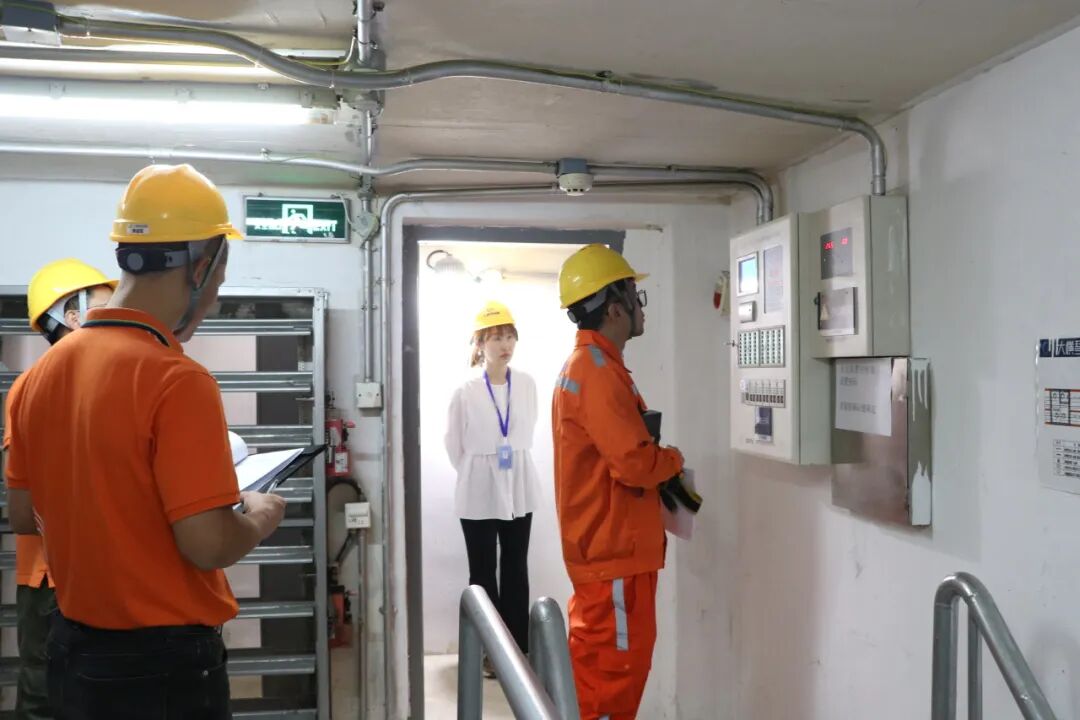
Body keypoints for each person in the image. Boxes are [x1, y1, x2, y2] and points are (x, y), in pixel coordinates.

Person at [2, 163, 286, 719]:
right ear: (201, 268)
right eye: (219, 284)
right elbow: (208, 545)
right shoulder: (177, 380)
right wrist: (259, 514)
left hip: (72, 648)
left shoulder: (39, 376)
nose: (215, 300)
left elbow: (21, 514)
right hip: (162, 670)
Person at [551, 245, 684, 720]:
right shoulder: (597, 373)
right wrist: (672, 460)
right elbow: (633, 464)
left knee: (604, 679)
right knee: (611, 683)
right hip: (614, 562)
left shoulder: (592, 368)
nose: (639, 306)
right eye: (634, 294)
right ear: (614, 307)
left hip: (612, 557)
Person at [4, 260, 117, 720]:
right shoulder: (37, 386)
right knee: (45, 696)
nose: (119, 313)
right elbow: (25, 503)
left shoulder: (114, 379)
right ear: (72, 316)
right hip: (50, 579)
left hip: (107, 571)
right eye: (106, 305)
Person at [445, 300, 541, 676]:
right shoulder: (465, 390)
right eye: (497, 337)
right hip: (479, 486)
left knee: (516, 567)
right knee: (483, 571)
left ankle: (518, 649)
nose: (505, 344)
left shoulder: (527, 383)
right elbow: (454, 444)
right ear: (480, 343)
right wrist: (478, 471)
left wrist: (506, 462)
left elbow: (529, 427)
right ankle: (490, 653)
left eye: (510, 336)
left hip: (518, 482)